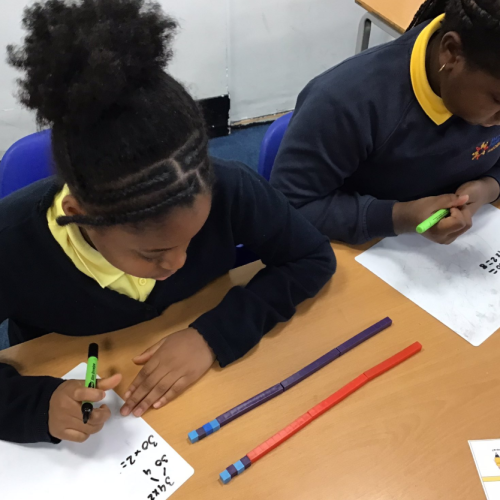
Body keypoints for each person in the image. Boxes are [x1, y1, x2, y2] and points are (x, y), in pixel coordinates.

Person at [0, 0, 335, 445]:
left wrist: (212, 335)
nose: (178, 263)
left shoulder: (229, 189)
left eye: (192, 239)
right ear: (81, 216)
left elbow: (311, 257)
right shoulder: (11, 244)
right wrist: (37, 406)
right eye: (153, 253)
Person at [271, 0, 500, 245]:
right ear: (451, 52)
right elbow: (290, 206)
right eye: (498, 99)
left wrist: (488, 188)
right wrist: (400, 217)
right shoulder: (346, 101)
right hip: (361, 248)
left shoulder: (481, 92)